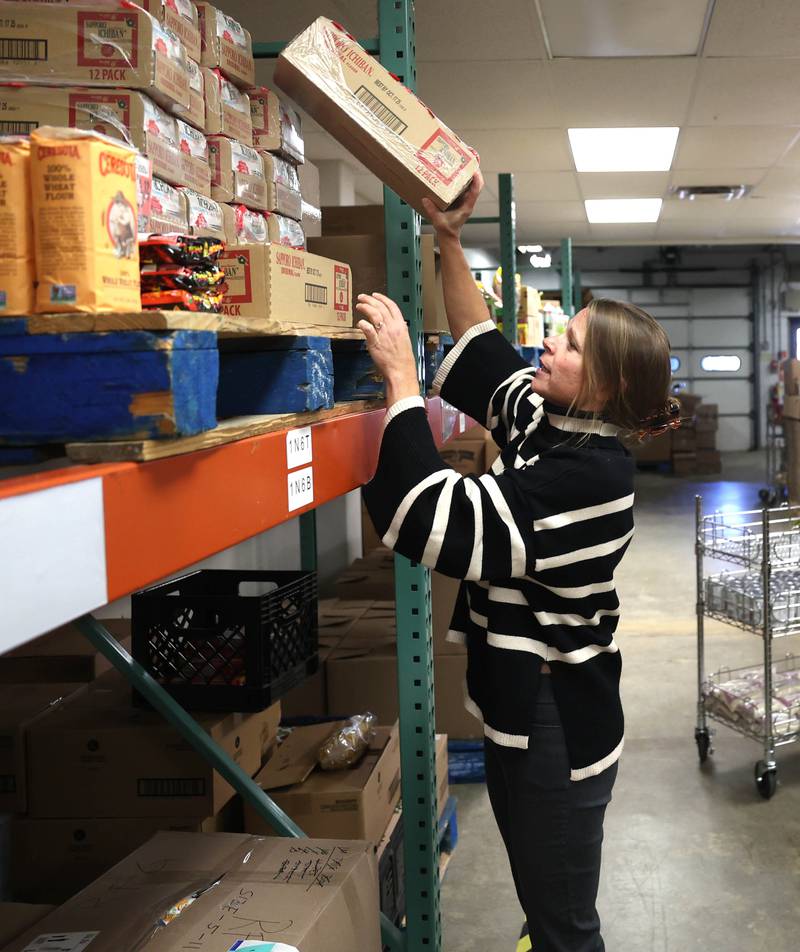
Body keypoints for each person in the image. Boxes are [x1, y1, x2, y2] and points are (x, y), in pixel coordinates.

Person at [356, 170, 677, 952]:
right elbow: (484, 356)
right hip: (521, 710)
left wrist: (401, 382)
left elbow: (431, 522)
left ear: (602, 386)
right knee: (543, 906)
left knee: (565, 924)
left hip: (555, 724)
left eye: (566, 345)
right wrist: (449, 239)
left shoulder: (589, 476)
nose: (548, 342)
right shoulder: (560, 421)